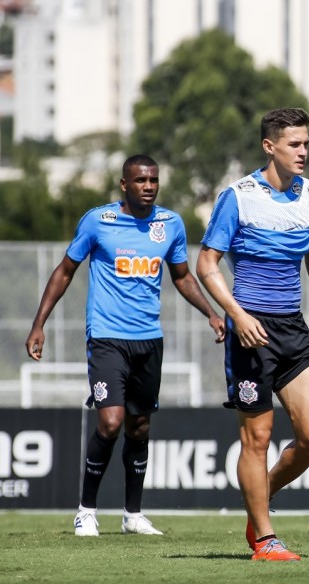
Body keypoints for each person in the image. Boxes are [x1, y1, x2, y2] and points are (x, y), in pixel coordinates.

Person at [25, 154, 225, 537]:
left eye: (153, 181)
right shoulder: (99, 221)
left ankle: (133, 515)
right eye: (140, 181)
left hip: (149, 341)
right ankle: (86, 511)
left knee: (139, 426)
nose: (148, 187)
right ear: (124, 184)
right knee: (111, 421)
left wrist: (212, 314)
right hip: (106, 338)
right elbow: (65, 271)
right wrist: (39, 324)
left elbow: (182, 277)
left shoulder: (170, 225)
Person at [197, 107, 309, 562]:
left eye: (306, 144)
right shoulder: (238, 197)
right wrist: (236, 313)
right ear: (269, 146)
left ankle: (259, 500)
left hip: (293, 328)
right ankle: (265, 537)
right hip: (249, 328)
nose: (304, 152)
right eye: (295, 144)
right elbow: (206, 265)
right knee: (257, 439)